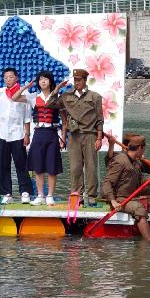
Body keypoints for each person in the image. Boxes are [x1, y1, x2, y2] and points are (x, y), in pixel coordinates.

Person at [48, 68, 103, 205]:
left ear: (85, 80)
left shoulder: (95, 97)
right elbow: (50, 104)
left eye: (79, 80)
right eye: (75, 80)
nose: (76, 82)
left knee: (91, 167)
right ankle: (76, 195)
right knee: (75, 167)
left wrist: (99, 138)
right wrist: (56, 90)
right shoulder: (67, 96)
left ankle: (91, 195)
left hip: (90, 135)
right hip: (74, 136)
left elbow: (99, 119)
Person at [12, 70, 66, 205]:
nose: (43, 81)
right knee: (38, 166)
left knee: (52, 167)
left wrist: (63, 138)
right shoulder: (33, 96)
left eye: (46, 79)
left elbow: (65, 121)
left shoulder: (58, 97)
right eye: (41, 79)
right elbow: (15, 97)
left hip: (53, 133)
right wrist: (25, 87)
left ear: (50, 81)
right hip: (38, 133)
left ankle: (50, 196)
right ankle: (40, 195)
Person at [0, 67, 32, 204]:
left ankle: (25, 192)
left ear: (16, 78)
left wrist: (27, 134)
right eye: (5, 77)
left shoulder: (24, 93)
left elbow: (27, 117)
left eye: (10, 77)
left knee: (21, 164)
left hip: (18, 134)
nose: (8, 79)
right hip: (2, 134)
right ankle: (6, 193)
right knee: (2, 165)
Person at [102, 134, 150, 240]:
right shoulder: (120, 161)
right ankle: (147, 239)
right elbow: (107, 183)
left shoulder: (136, 162)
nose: (144, 152)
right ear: (139, 148)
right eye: (143, 149)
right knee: (139, 208)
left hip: (132, 194)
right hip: (120, 199)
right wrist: (113, 201)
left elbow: (140, 183)